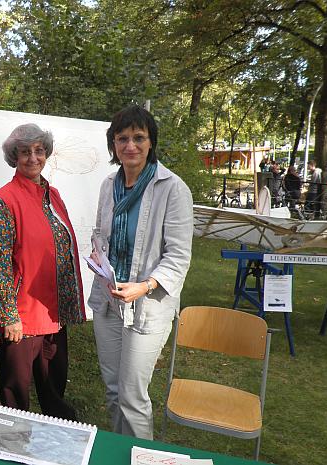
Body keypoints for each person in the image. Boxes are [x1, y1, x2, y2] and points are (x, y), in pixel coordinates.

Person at [88, 105, 193, 439]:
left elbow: (178, 256)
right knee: (113, 390)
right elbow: (100, 233)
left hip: (147, 304)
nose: (130, 145)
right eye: (122, 138)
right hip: (109, 300)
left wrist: (145, 286)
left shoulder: (172, 188)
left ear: (151, 142)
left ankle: (139, 457)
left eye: (138, 137)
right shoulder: (109, 185)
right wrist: (98, 254)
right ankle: (120, 453)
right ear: (113, 145)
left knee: (132, 397)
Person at [0, 123, 85, 421]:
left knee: (54, 386)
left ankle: (56, 434)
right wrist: (9, 316)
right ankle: (13, 437)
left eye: (39, 150)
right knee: (16, 393)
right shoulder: (3, 201)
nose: (33, 158)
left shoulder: (53, 195)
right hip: (21, 316)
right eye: (25, 152)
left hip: (53, 311)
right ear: (14, 157)